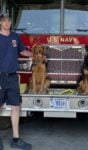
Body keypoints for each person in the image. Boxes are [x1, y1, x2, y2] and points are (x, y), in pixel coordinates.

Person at [0, 14, 32, 150]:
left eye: (8, 21)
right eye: (3, 21)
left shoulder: (15, 37)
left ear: (11, 22)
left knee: (16, 107)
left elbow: (23, 51)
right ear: (0, 23)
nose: (6, 23)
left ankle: (16, 139)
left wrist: (36, 54)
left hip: (13, 77)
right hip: (0, 77)